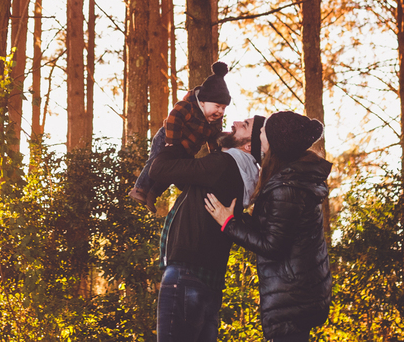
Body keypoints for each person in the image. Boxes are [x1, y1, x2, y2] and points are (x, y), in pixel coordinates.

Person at [204, 111, 331, 342]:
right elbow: (275, 229)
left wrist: (228, 223)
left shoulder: (287, 187)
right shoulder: (289, 180)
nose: (259, 133)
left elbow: (273, 245)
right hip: (298, 291)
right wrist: (239, 219)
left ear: (274, 142)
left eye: (262, 131)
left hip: (293, 295)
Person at [146, 114, 267, 342]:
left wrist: (173, 142)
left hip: (186, 275)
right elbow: (187, 179)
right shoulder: (243, 176)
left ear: (249, 145)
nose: (235, 123)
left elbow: (159, 169)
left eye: (245, 125)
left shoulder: (223, 164)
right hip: (210, 281)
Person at [128, 61, 232, 207]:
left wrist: (215, 153)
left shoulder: (214, 121)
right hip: (168, 138)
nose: (220, 111)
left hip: (186, 148)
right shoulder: (188, 107)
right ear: (202, 102)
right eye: (217, 106)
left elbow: (213, 137)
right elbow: (174, 119)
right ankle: (140, 188)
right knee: (157, 161)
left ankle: (153, 193)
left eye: (223, 108)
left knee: (174, 171)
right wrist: (171, 142)